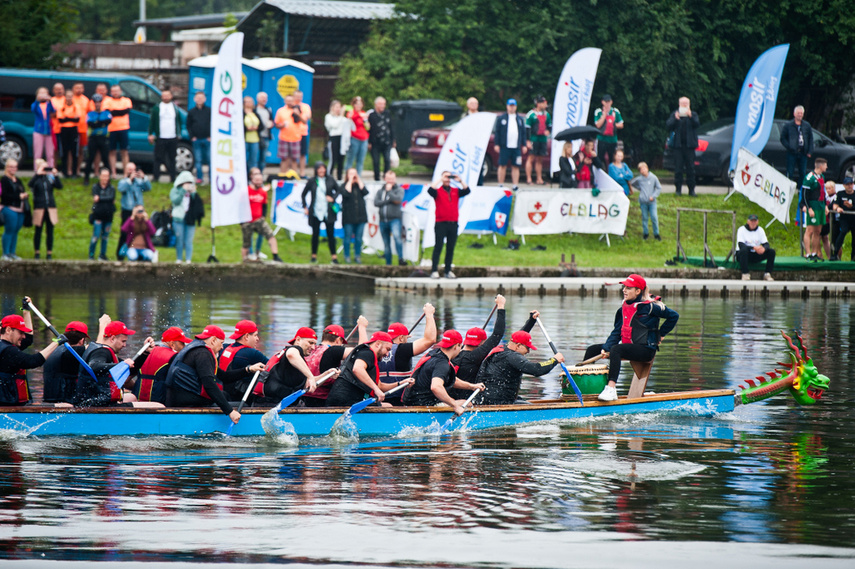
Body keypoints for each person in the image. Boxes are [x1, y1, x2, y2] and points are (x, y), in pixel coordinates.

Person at [581, 273, 680, 401]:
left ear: (638, 291)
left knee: (617, 349)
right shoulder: (623, 309)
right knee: (592, 349)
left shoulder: (650, 307)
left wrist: (660, 334)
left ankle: (611, 389)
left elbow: (674, 316)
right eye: (624, 287)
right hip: (628, 348)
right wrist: (606, 348)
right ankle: (584, 388)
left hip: (646, 350)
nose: (624, 290)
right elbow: (617, 332)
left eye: (628, 288)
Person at [164, 325, 262, 424]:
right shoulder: (203, 354)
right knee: (245, 406)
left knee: (225, 395)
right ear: (213, 340)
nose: (221, 347)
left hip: (179, 398)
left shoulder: (195, 348)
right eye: (221, 343)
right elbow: (209, 385)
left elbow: (224, 376)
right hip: (187, 402)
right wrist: (230, 412)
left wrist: (248, 369)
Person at [401, 330, 484, 412]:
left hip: (411, 401)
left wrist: (472, 386)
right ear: (456, 346)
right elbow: (436, 387)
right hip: (424, 405)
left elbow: (451, 380)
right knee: (467, 403)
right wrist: (455, 405)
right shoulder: (442, 364)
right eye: (460, 347)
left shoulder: (434, 353)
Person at [474, 330, 562, 406]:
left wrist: (531, 320)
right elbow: (537, 369)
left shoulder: (501, 350)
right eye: (527, 347)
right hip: (498, 401)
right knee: (531, 408)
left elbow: (521, 334)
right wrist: (554, 360)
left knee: (523, 401)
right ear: (518, 346)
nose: (528, 351)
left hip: (487, 398)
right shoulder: (513, 356)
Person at [326, 331, 409, 408]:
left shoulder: (367, 355)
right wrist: (376, 390)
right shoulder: (368, 353)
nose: (387, 354)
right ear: (378, 344)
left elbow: (380, 386)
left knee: (387, 405)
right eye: (387, 349)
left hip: (347, 400)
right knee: (388, 406)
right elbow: (357, 369)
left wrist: (400, 383)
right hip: (346, 400)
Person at [72, 320, 146, 407]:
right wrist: (121, 365)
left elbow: (131, 368)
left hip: (95, 400)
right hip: (94, 404)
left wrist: (145, 353)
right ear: (113, 338)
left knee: (132, 397)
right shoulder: (101, 351)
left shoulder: (103, 350)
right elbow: (93, 366)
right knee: (158, 406)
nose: (125, 345)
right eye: (123, 341)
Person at [0, 301, 61, 406]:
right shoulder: (8, 351)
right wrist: (57, 343)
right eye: (21, 332)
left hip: (10, 400)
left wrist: (26, 311)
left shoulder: (6, 345)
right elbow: (32, 362)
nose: (23, 336)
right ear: (9, 330)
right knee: (63, 406)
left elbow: (28, 339)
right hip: (7, 404)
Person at [448, 295, 508, 398]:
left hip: (450, 395)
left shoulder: (456, 352)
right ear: (481, 343)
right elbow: (497, 334)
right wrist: (501, 306)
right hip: (466, 400)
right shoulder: (475, 356)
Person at [301, 317, 369, 407]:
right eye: (341, 343)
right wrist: (362, 327)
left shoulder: (311, 350)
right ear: (338, 341)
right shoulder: (334, 350)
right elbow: (362, 352)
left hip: (304, 397)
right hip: (323, 400)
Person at [255, 327, 331, 404]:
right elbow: (291, 354)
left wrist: (327, 374)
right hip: (270, 404)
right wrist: (310, 376)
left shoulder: (295, 361)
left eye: (315, 344)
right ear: (298, 340)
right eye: (310, 343)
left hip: (272, 402)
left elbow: (308, 384)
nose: (313, 347)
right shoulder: (294, 349)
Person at [379, 303, 438, 389]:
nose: (407, 341)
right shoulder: (403, 350)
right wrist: (429, 314)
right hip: (399, 396)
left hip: (381, 394)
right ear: (401, 338)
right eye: (407, 338)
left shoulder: (376, 350)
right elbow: (430, 340)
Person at [428, 171, 471, 279]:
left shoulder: (455, 191)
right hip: (441, 223)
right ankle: (434, 270)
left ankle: (448, 270)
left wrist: (460, 180)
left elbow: (467, 190)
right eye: (445, 177)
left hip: (453, 224)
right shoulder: (438, 191)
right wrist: (440, 179)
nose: (447, 179)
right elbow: (430, 190)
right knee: (438, 247)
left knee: (450, 248)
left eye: (449, 177)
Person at [135, 326, 191, 404]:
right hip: (160, 403)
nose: (184, 347)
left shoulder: (146, 352)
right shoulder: (174, 357)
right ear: (172, 344)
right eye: (182, 343)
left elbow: (128, 378)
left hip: (138, 398)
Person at [218, 320, 269, 401]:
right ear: (246, 337)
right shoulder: (252, 353)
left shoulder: (222, 348)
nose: (257, 339)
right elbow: (272, 366)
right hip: (239, 397)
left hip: (221, 392)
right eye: (255, 335)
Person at [241, 168, 284, 263]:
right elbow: (240, 206)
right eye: (257, 180)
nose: (259, 182)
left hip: (258, 219)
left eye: (260, 180)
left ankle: (275, 256)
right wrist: (241, 221)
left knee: (270, 235)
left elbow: (264, 205)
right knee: (246, 243)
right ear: (252, 180)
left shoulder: (263, 192)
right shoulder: (246, 191)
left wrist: (263, 216)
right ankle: (244, 260)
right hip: (247, 220)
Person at [43, 321, 91, 404]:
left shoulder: (52, 351)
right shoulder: (76, 352)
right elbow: (97, 348)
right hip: (65, 402)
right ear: (82, 341)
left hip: (48, 399)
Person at [301, 162, 340, 264]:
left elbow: (338, 190)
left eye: (323, 168)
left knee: (331, 235)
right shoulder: (312, 181)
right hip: (316, 212)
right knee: (315, 235)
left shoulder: (330, 179)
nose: (321, 171)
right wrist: (305, 207)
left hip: (328, 212)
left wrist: (333, 198)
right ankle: (313, 256)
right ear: (316, 170)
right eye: (319, 169)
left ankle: (334, 257)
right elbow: (303, 194)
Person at [116, 162, 151, 259]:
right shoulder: (123, 182)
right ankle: (120, 255)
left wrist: (144, 178)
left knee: (139, 233)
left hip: (138, 212)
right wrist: (130, 180)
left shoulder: (139, 182)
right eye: (130, 170)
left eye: (134, 170)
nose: (132, 172)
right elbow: (121, 189)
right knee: (124, 234)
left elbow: (148, 188)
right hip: (127, 211)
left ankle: (138, 254)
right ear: (126, 170)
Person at [28, 159, 62, 260]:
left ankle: (49, 252)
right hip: (39, 207)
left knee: (50, 231)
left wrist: (56, 175)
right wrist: (37, 174)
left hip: (50, 207)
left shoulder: (50, 178)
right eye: (43, 167)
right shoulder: (36, 179)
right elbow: (30, 185)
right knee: (38, 230)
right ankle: (37, 252)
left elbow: (59, 186)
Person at [147, 88, 182, 183]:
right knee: (158, 158)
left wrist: (179, 134)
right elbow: (152, 122)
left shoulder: (175, 108)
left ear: (171, 96)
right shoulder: (157, 108)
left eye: (168, 95)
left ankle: (173, 178)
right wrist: (150, 134)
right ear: (161, 97)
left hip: (172, 137)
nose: (166, 97)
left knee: (172, 158)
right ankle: (156, 177)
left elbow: (179, 121)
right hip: (160, 137)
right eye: (164, 95)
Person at [170, 171, 205, 263]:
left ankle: (188, 259)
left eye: (190, 183)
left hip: (190, 219)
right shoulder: (175, 190)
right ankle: (179, 258)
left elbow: (198, 205)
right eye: (187, 183)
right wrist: (183, 190)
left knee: (188, 240)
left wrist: (193, 193)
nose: (188, 185)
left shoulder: (192, 192)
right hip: (178, 218)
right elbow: (176, 201)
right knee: (179, 239)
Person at [493, 98, 527, 191]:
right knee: (502, 165)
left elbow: (523, 132)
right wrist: (497, 144)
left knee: (516, 166)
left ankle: (515, 185)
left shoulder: (519, 119)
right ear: (507, 106)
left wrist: (524, 144)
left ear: (515, 107)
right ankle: (500, 184)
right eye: (510, 106)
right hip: (505, 146)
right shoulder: (502, 118)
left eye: (513, 106)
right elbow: (498, 132)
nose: (512, 108)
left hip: (516, 146)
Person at [374, 170, 406, 266]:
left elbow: (397, 200)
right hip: (383, 220)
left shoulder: (399, 190)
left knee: (397, 238)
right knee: (386, 243)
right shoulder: (380, 191)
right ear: (385, 179)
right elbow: (376, 203)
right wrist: (387, 201)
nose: (390, 181)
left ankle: (401, 258)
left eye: (392, 179)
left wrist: (390, 192)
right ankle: (388, 263)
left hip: (394, 219)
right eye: (388, 179)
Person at [103, 84, 133, 177]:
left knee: (124, 151)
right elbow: (108, 112)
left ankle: (125, 173)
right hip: (111, 129)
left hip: (123, 128)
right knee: (112, 151)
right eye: (113, 91)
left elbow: (125, 111)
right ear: (111, 92)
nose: (115, 93)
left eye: (117, 91)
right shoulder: (107, 100)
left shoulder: (126, 100)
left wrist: (115, 112)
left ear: (120, 91)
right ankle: (114, 173)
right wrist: (119, 112)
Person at [340, 167, 369, 264]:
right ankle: (347, 255)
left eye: (354, 174)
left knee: (358, 239)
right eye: (350, 174)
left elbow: (365, 192)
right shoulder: (344, 185)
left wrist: (358, 180)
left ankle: (357, 255)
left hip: (361, 217)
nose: (353, 176)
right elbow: (346, 193)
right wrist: (350, 181)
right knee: (347, 238)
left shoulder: (359, 186)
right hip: (348, 218)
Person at [801, 157, 827, 261]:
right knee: (810, 230)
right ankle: (807, 253)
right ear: (820, 166)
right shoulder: (809, 178)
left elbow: (822, 192)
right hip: (813, 205)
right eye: (825, 165)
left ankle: (814, 252)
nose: (827, 167)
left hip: (820, 206)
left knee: (818, 231)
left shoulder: (822, 176)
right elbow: (804, 195)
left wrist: (825, 205)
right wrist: (809, 208)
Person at [1, 159, 27, 261]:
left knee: (15, 230)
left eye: (15, 167)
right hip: (9, 207)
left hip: (19, 209)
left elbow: (22, 190)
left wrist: (24, 195)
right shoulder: (4, 180)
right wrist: (18, 196)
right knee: (9, 229)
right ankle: (5, 253)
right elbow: (5, 195)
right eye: (11, 167)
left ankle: (12, 252)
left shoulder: (17, 180)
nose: (13, 169)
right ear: (7, 168)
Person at [736, 214, 776, 281]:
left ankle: (767, 273)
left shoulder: (760, 230)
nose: (753, 223)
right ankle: (745, 274)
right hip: (744, 255)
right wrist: (754, 248)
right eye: (751, 221)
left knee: (771, 252)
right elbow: (741, 245)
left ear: (757, 222)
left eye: (755, 221)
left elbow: (766, 243)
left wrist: (763, 249)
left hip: (756, 253)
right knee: (744, 250)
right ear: (748, 221)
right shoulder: (741, 229)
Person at [780, 105, 813, 185]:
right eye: (798, 113)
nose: (800, 115)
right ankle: (788, 187)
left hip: (803, 152)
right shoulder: (788, 125)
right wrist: (789, 146)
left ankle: (800, 189)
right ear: (794, 114)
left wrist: (810, 151)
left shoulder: (806, 125)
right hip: (792, 152)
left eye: (801, 113)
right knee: (790, 171)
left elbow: (810, 138)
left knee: (802, 172)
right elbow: (782, 138)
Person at [83, 94, 112, 185]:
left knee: (105, 159)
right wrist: (101, 123)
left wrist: (98, 123)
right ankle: (86, 178)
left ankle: (108, 178)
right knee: (90, 158)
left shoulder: (106, 113)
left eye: (99, 103)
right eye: (96, 103)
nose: (98, 104)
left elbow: (107, 122)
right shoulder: (90, 114)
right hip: (93, 138)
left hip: (103, 138)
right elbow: (91, 124)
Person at [89, 168, 116, 261]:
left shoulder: (111, 188)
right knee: (96, 236)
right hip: (98, 215)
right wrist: (105, 199)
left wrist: (100, 198)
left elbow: (111, 197)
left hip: (108, 216)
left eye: (107, 176)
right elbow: (103, 199)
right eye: (103, 176)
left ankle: (102, 254)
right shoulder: (95, 187)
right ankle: (91, 254)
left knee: (105, 237)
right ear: (100, 176)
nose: (105, 178)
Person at [630, 162, 662, 241]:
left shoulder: (653, 177)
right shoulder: (639, 179)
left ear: (647, 169)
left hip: (652, 202)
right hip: (643, 201)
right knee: (644, 218)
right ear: (640, 171)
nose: (643, 171)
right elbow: (632, 183)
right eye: (641, 170)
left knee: (654, 217)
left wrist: (653, 196)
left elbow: (658, 188)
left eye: (644, 169)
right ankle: (645, 233)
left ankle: (656, 234)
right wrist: (640, 188)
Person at [525, 96, 552, 185]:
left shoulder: (546, 114)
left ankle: (539, 178)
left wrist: (548, 131)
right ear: (538, 104)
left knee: (540, 159)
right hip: (534, 138)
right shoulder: (531, 114)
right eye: (544, 103)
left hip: (543, 139)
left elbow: (549, 126)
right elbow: (527, 128)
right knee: (531, 158)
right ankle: (529, 178)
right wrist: (528, 140)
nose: (545, 105)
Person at [274, 94, 303, 174]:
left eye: (291, 101)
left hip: (295, 138)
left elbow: (304, 121)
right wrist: (281, 125)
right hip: (284, 138)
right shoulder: (281, 111)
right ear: (285, 101)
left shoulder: (297, 109)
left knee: (294, 159)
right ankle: (283, 175)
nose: (289, 102)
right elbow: (276, 124)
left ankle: (293, 175)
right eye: (288, 100)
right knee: (284, 158)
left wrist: (298, 114)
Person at [187, 91, 212, 184]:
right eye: (198, 98)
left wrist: (210, 136)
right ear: (195, 99)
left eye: (201, 98)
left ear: (205, 99)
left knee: (210, 159)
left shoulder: (209, 111)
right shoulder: (191, 112)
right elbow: (188, 125)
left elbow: (213, 124)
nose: (200, 99)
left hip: (207, 139)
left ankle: (211, 178)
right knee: (198, 160)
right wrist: (192, 136)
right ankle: (199, 178)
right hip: (196, 139)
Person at [368, 96, 394, 182]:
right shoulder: (371, 116)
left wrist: (393, 140)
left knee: (387, 160)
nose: (383, 106)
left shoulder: (387, 114)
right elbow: (369, 130)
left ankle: (386, 178)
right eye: (381, 104)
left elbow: (391, 127)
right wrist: (369, 142)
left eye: (384, 104)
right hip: (375, 142)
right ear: (376, 105)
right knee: (376, 161)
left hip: (386, 142)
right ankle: (377, 179)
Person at [593, 94, 624, 166]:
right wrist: (604, 115)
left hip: (612, 140)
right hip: (602, 139)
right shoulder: (598, 111)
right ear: (602, 102)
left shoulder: (615, 111)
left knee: (612, 159)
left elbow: (621, 125)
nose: (607, 103)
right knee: (599, 158)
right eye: (605, 102)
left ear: (611, 102)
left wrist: (612, 124)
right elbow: (597, 125)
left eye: (608, 101)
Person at [57, 90, 81, 178]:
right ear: (65, 96)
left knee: (74, 152)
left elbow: (77, 119)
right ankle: (64, 172)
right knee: (64, 151)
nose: (69, 98)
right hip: (64, 130)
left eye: (71, 96)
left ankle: (74, 172)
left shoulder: (76, 106)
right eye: (67, 96)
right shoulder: (62, 106)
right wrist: (71, 118)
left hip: (73, 130)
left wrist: (67, 118)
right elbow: (60, 119)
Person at [30, 87, 55, 168]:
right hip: (38, 131)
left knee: (50, 154)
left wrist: (50, 100)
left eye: (45, 93)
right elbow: (33, 109)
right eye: (41, 93)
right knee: (38, 153)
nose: (43, 95)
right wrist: (37, 100)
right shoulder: (36, 104)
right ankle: (37, 171)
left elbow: (54, 111)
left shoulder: (49, 105)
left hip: (49, 131)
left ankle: (50, 172)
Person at [344, 96, 370, 175]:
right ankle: (348, 177)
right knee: (350, 159)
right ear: (353, 104)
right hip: (354, 138)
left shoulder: (364, 113)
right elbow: (349, 120)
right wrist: (359, 115)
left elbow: (367, 127)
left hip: (364, 139)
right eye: (357, 104)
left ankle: (358, 177)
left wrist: (366, 121)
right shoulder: (351, 112)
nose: (359, 106)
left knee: (360, 160)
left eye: (360, 104)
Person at [832, 177, 855, 261]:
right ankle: (835, 253)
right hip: (844, 218)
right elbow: (835, 204)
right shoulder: (840, 194)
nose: (849, 186)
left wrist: (852, 207)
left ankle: (853, 256)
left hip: (853, 219)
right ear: (844, 185)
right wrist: (838, 208)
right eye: (847, 184)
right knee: (842, 232)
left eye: (851, 184)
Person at [324, 99, 346, 181]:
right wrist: (341, 115)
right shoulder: (328, 117)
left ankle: (339, 178)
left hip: (342, 140)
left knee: (341, 160)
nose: (339, 109)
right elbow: (335, 125)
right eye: (337, 107)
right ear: (332, 107)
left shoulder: (342, 118)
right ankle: (329, 177)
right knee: (333, 160)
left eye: (340, 107)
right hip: (333, 139)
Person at [71, 82, 90, 177]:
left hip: (83, 129)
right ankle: (70, 170)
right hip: (72, 128)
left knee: (81, 151)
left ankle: (78, 170)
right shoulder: (71, 99)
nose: (78, 90)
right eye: (76, 88)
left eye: (80, 88)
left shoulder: (86, 100)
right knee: (72, 150)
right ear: (73, 89)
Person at [294, 90, 312, 177]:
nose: (298, 98)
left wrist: (298, 114)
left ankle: (302, 172)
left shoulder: (306, 107)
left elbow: (305, 120)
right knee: (292, 155)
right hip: (292, 134)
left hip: (302, 133)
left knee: (302, 154)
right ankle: (293, 172)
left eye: (300, 96)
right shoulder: (291, 106)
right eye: (297, 96)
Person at [255, 91, 274, 174]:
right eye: (262, 98)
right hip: (256, 137)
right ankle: (252, 176)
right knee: (254, 157)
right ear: (257, 99)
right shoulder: (254, 110)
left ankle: (260, 175)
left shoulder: (268, 110)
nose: (264, 100)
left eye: (265, 98)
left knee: (263, 158)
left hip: (266, 136)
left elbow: (271, 121)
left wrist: (271, 124)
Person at [243, 96, 261, 172]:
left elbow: (261, 125)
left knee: (253, 160)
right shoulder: (241, 113)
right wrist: (246, 128)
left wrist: (256, 128)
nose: (249, 103)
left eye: (251, 102)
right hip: (244, 140)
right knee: (243, 159)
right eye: (247, 102)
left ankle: (253, 177)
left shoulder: (255, 113)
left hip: (255, 140)